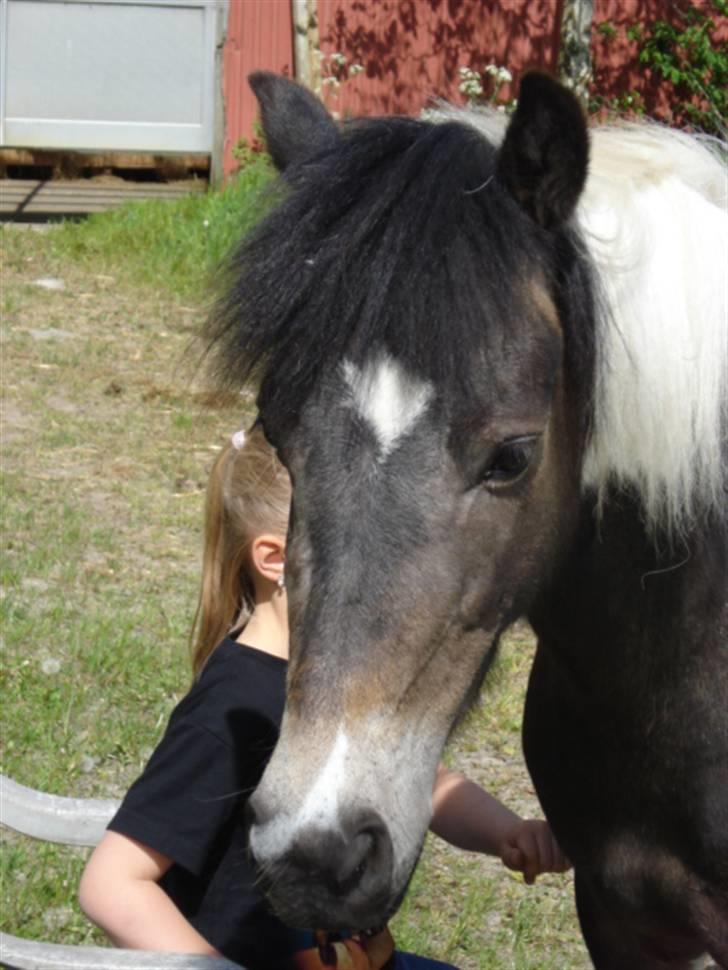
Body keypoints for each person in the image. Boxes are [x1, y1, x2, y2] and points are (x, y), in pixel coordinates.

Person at [79, 424, 570, 970]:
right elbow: (113, 883)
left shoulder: (339, 675)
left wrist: (509, 831)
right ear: (273, 560)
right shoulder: (233, 710)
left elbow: (420, 778)